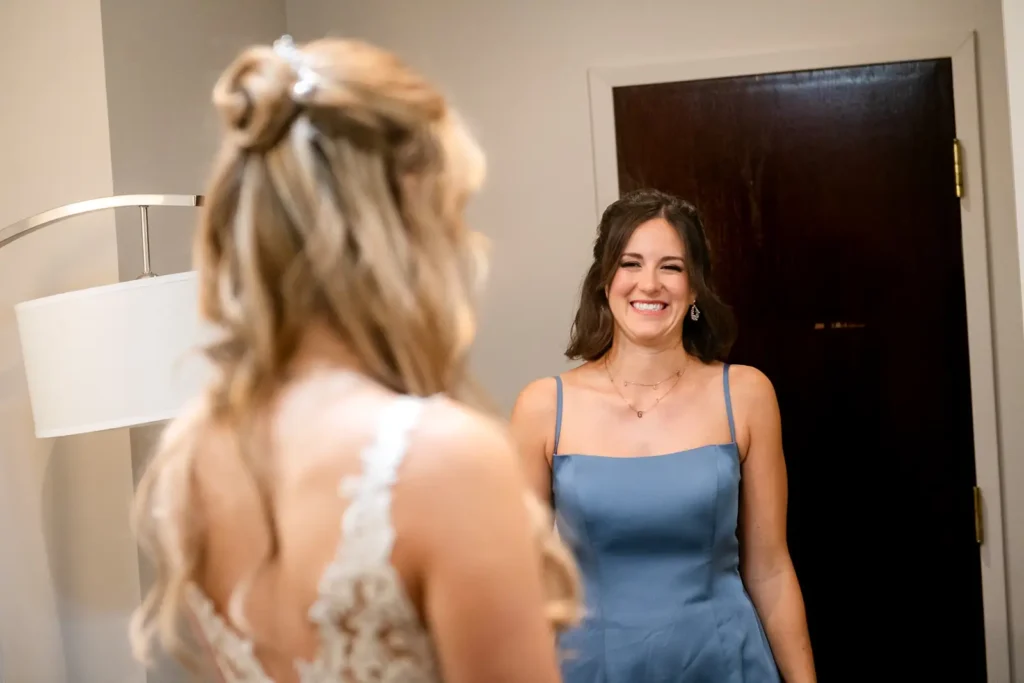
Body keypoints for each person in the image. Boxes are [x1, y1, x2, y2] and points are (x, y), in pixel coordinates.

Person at [129, 35, 581, 683]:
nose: (461, 240)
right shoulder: (443, 459)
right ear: (403, 218)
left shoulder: (192, 455)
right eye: (451, 210)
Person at [511, 188, 816, 682]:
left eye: (671, 267)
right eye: (630, 263)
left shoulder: (746, 394)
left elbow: (771, 568)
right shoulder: (542, 407)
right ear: (604, 281)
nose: (649, 284)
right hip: (590, 666)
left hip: (724, 662)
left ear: (694, 288)